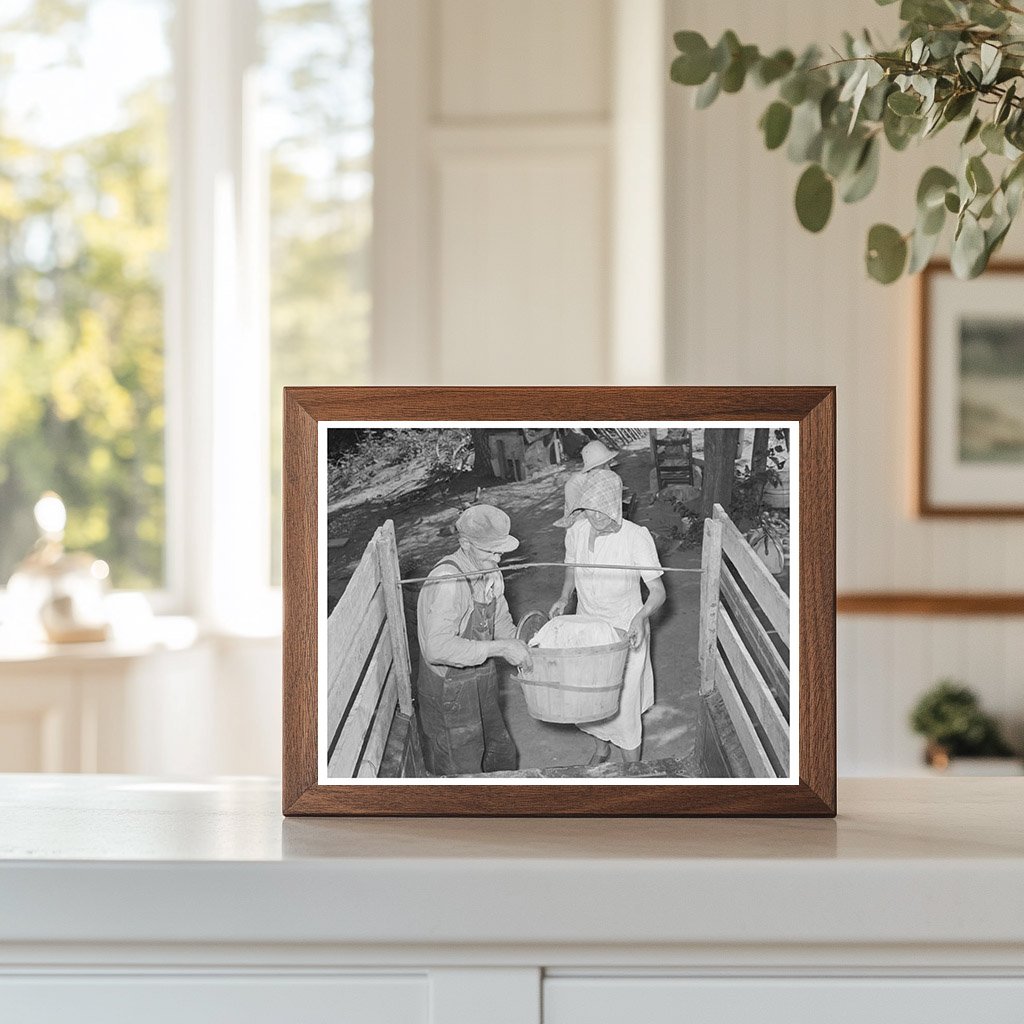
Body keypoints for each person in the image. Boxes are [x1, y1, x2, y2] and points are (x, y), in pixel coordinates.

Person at [549, 470, 666, 765]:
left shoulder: (635, 537)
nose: (597, 517)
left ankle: (634, 771)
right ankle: (602, 748)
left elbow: (658, 592)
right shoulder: (575, 531)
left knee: (624, 707)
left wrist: (641, 617)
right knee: (592, 698)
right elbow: (572, 570)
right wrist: (564, 597)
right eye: (590, 510)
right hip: (588, 629)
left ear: (616, 506)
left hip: (627, 631)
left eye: (603, 511)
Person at [416, 504, 531, 775]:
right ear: (465, 543)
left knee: (500, 754)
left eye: (500, 550)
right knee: (462, 770)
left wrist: (523, 643)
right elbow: (437, 648)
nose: (498, 558)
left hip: (480, 680)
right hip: (448, 690)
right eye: (490, 551)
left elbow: (500, 622)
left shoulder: (490, 569)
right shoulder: (449, 581)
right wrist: (502, 648)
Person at [554, 439, 620, 529]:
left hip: (601, 522)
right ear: (593, 466)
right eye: (604, 465)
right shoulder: (574, 484)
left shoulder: (601, 476)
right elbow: (577, 517)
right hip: (581, 527)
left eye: (608, 464)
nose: (608, 469)